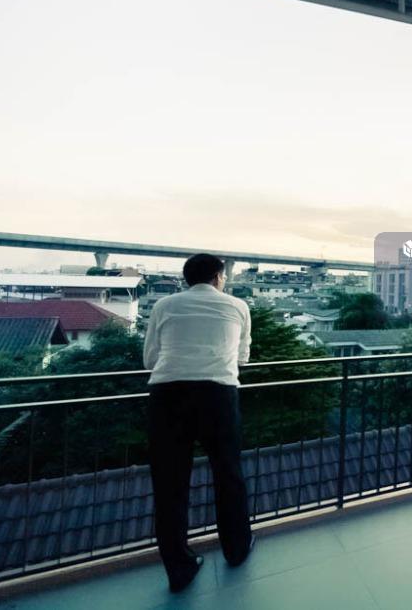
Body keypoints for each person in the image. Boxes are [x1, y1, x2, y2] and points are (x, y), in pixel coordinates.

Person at [143, 253, 254, 592]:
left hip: (167, 394)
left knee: (169, 483)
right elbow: (243, 357)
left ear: (187, 278)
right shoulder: (238, 306)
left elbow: (150, 359)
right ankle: (236, 549)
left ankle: (179, 568)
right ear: (219, 277)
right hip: (218, 394)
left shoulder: (164, 305)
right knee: (228, 474)